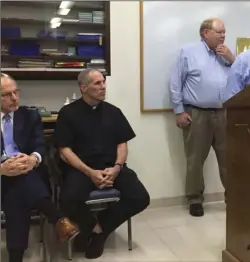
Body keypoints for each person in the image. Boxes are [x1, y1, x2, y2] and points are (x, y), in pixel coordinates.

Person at [53, 69, 151, 259]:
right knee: (68, 199)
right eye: (97, 83)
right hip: (81, 169)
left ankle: (100, 229)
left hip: (111, 167)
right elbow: (64, 151)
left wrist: (116, 168)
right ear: (83, 87)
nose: (103, 86)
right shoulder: (68, 113)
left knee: (140, 197)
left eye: (103, 82)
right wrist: (90, 172)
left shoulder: (113, 112)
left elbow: (122, 143)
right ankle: (93, 228)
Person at [0, 73, 79, 262]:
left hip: (28, 173)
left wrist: (32, 160)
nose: (14, 98)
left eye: (16, 92)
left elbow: (39, 145)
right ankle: (57, 218)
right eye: (7, 94)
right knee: (18, 184)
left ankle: (15, 257)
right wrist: (2, 169)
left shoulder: (29, 115)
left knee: (18, 187)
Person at [169, 18, 234, 217]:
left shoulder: (227, 54)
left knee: (229, 159)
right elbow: (174, 83)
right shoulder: (188, 52)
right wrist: (179, 111)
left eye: (224, 32)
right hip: (196, 113)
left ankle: (234, 198)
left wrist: (232, 59)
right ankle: (195, 200)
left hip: (224, 113)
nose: (223, 36)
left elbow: (242, 77)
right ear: (206, 33)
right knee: (195, 160)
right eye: (219, 32)